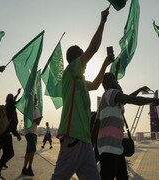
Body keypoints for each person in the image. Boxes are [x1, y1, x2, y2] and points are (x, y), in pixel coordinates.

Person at [51, 7, 111, 180]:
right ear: (77, 59)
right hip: (73, 137)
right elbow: (93, 49)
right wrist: (102, 22)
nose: (85, 58)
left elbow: (96, 84)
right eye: (82, 56)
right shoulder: (70, 72)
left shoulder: (80, 81)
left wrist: (105, 65)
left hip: (84, 141)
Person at [96, 73, 159, 179]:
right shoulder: (110, 93)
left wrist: (139, 89)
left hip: (116, 148)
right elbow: (133, 100)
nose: (118, 83)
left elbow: (129, 98)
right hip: (109, 149)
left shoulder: (112, 100)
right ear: (109, 83)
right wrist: (152, 100)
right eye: (115, 81)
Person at [0, 88, 22, 180]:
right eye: (13, 98)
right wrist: (17, 134)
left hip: (3, 133)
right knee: (10, 154)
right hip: (6, 135)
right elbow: (12, 125)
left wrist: (17, 94)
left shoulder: (7, 106)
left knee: (6, 153)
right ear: (12, 99)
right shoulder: (11, 107)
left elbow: (15, 101)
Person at [22, 95, 43, 177]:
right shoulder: (27, 109)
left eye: (35, 99)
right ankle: (29, 167)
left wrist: (38, 120)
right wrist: (35, 120)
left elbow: (37, 123)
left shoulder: (37, 109)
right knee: (33, 150)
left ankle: (24, 168)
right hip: (29, 132)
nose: (35, 100)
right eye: (34, 99)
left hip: (34, 132)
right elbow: (26, 120)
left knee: (28, 151)